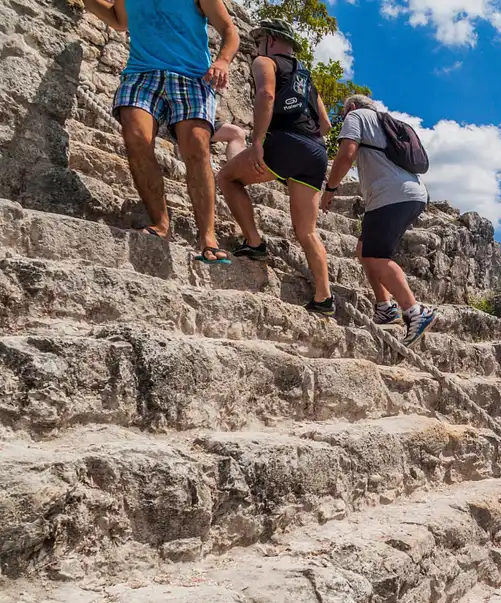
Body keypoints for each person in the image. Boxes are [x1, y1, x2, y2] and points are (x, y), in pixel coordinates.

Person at [82, 0, 239, 265]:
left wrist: (223, 61)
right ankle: (161, 224)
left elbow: (229, 30)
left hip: (192, 77)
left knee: (196, 148)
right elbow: (119, 20)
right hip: (142, 74)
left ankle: (208, 238)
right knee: (137, 139)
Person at [216, 19, 335, 316]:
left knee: (227, 178)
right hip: (317, 152)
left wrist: (257, 140)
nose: (256, 47)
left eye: (258, 42)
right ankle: (324, 298)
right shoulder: (306, 77)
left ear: (269, 40)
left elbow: (266, 95)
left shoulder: (264, 61)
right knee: (307, 231)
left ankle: (254, 242)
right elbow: (326, 125)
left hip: (286, 142)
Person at [319, 95, 437, 347]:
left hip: (390, 195)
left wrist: (330, 189)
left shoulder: (356, 116)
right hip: (409, 193)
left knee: (376, 257)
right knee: (364, 250)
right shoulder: (387, 123)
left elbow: (346, 153)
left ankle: (414, 311)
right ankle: (385, 307)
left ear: (352, 106)